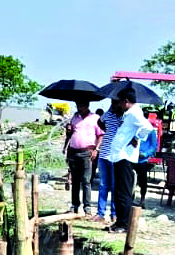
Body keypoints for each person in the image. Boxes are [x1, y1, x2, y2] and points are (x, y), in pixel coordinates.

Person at [103, 89, 158, 233]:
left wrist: (137, 138)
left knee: (123, 192)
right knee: (119, 191)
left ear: (126, 101)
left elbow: (147, 127)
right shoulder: (129, 113)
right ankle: (120, 222)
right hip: (119, 156)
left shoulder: (134, 112)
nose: (119, 104)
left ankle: (124, 224)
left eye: (120, 101)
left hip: (125, 157)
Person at [64, 100, 102, 217]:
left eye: (81, 105)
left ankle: (87, 208)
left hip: (87, 153)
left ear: (87, 105)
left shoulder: (95, 118)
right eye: (78, 105)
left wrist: (96, 149)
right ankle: (75, 205)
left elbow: (100, 134)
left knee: (86, 180)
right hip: (74, 152)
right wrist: (68, 130)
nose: (79, 108)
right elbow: (70, 135)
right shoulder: (75, 118)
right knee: (75, 181)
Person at [95, 103, 125, 223]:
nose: (114, 103)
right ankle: (100, 213)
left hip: (115, 156)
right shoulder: (108, 114)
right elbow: (99, 122)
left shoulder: (124, 117)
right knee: (103, 185)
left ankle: (114, 213)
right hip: (104, 155)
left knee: (114, 186)